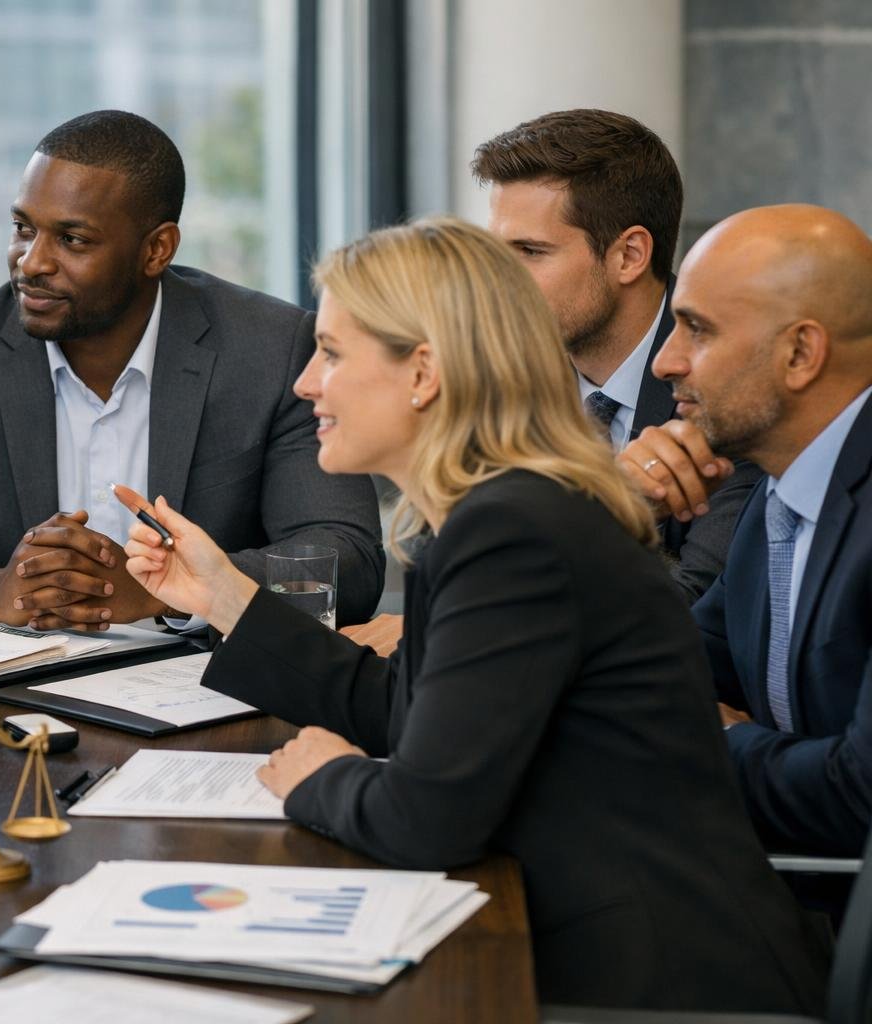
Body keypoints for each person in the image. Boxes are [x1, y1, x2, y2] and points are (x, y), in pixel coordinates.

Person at [120, 218, 827, 1011]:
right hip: (584, 941)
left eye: (334, 352)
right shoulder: (495, 511)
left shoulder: (511, 529)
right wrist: (223, 596)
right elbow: (407, 709)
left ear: (423, 372)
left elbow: (427, 819)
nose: (306, 383)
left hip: (652, 986)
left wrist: (323, 780)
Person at [0, 110, 383, 635]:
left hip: (202, 690)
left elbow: (344, 558)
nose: (32, 263)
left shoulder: (271, 349)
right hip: (13, 700)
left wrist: (171, 591)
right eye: (23, 229)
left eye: (73, 239)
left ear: (157, 250)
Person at [620, 204, 872, 857]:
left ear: (800, 353)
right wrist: (607, 512)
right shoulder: (774, 492)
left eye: (696, 329)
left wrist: (720, 740)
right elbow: (660, 673)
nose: (664, 363)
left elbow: (858, 794)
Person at [474, 108, 759, 602]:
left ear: (629, 255)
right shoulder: (494, 377)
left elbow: (693, 605)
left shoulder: (726, 385)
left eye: (531, 252)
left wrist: (598, 514)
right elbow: (447, 557)